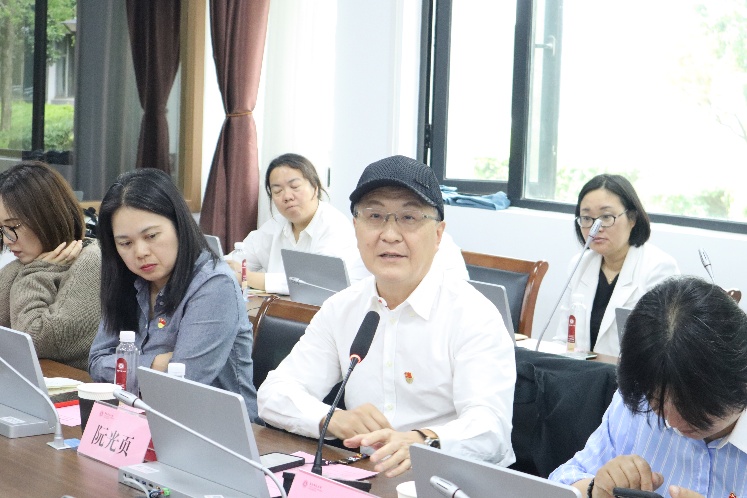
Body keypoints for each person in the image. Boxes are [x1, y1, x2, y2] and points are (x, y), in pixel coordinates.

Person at [258, 155, 516, 478]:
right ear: (356, 228)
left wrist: (422, 441)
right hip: (368, 477)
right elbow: (274, 393)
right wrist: (331, 419)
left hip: (448, 482)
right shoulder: (342, 308)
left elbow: (491, 428)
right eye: (375, 216)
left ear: (438, 234)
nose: (390, 234)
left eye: (409, 217)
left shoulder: (474, 315)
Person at [549, 276, 747, 498]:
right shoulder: (637, 400)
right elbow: (560, 482)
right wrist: (594, 489)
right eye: (656, 400)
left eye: (689, 405)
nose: (672, 421)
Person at [88, 168, 258, 419]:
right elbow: (96, 362)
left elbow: (184, 382)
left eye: (151, 236)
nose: (140, 252)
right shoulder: (128, 279)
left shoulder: (214, 284)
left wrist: (128, 364)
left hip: (216, 426)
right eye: (125, 243)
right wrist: (157, 364)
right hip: (140, 416)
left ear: (179, 225)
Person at [563, 174, 679, 356]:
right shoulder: (579, 264)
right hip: (580, 369)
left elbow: (662, 350)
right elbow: (564, 339)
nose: (596, 227)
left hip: (631, 373)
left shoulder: (659, 269)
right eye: (586, 218)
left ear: (632, 218)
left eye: (606, 217)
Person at [0, 161, 100, 370]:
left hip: (74, 388)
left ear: (46, 216)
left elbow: (34, 338)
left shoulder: (93, 260)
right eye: (2, 229)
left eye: (13, 226)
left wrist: (37, 272)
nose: (7, 240)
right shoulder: (20, 266)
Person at [227, 153, 360, 293]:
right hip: (279, 306)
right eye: (277, 191)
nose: (287, 196)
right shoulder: (275, 225)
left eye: (295, 186)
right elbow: (236, 261)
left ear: (315, 188)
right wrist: (228, 268)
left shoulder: (334, 225)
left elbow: (315, 282)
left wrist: (248, 277)